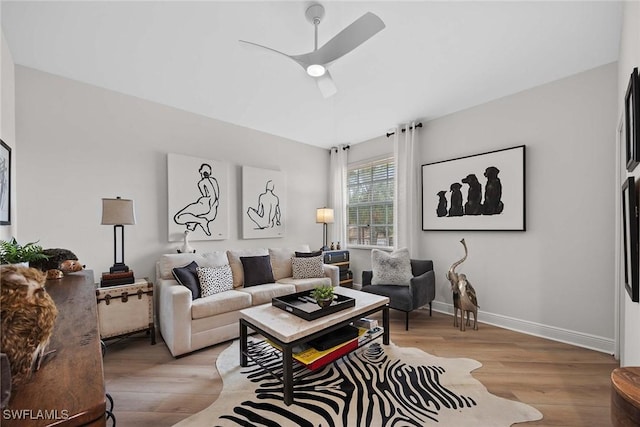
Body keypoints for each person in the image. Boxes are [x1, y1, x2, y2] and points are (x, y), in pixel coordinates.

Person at [174, 163, 219, 236]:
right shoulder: (214, 180)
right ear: (209, 172)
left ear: (200, 171)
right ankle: (194, 223)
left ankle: (201, 221)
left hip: (204, 203)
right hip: (212, 205)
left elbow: (205, 195)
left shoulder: (201, 183)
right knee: (191, 216)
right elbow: (216, 196)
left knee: (178, 217)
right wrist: (212, 207)